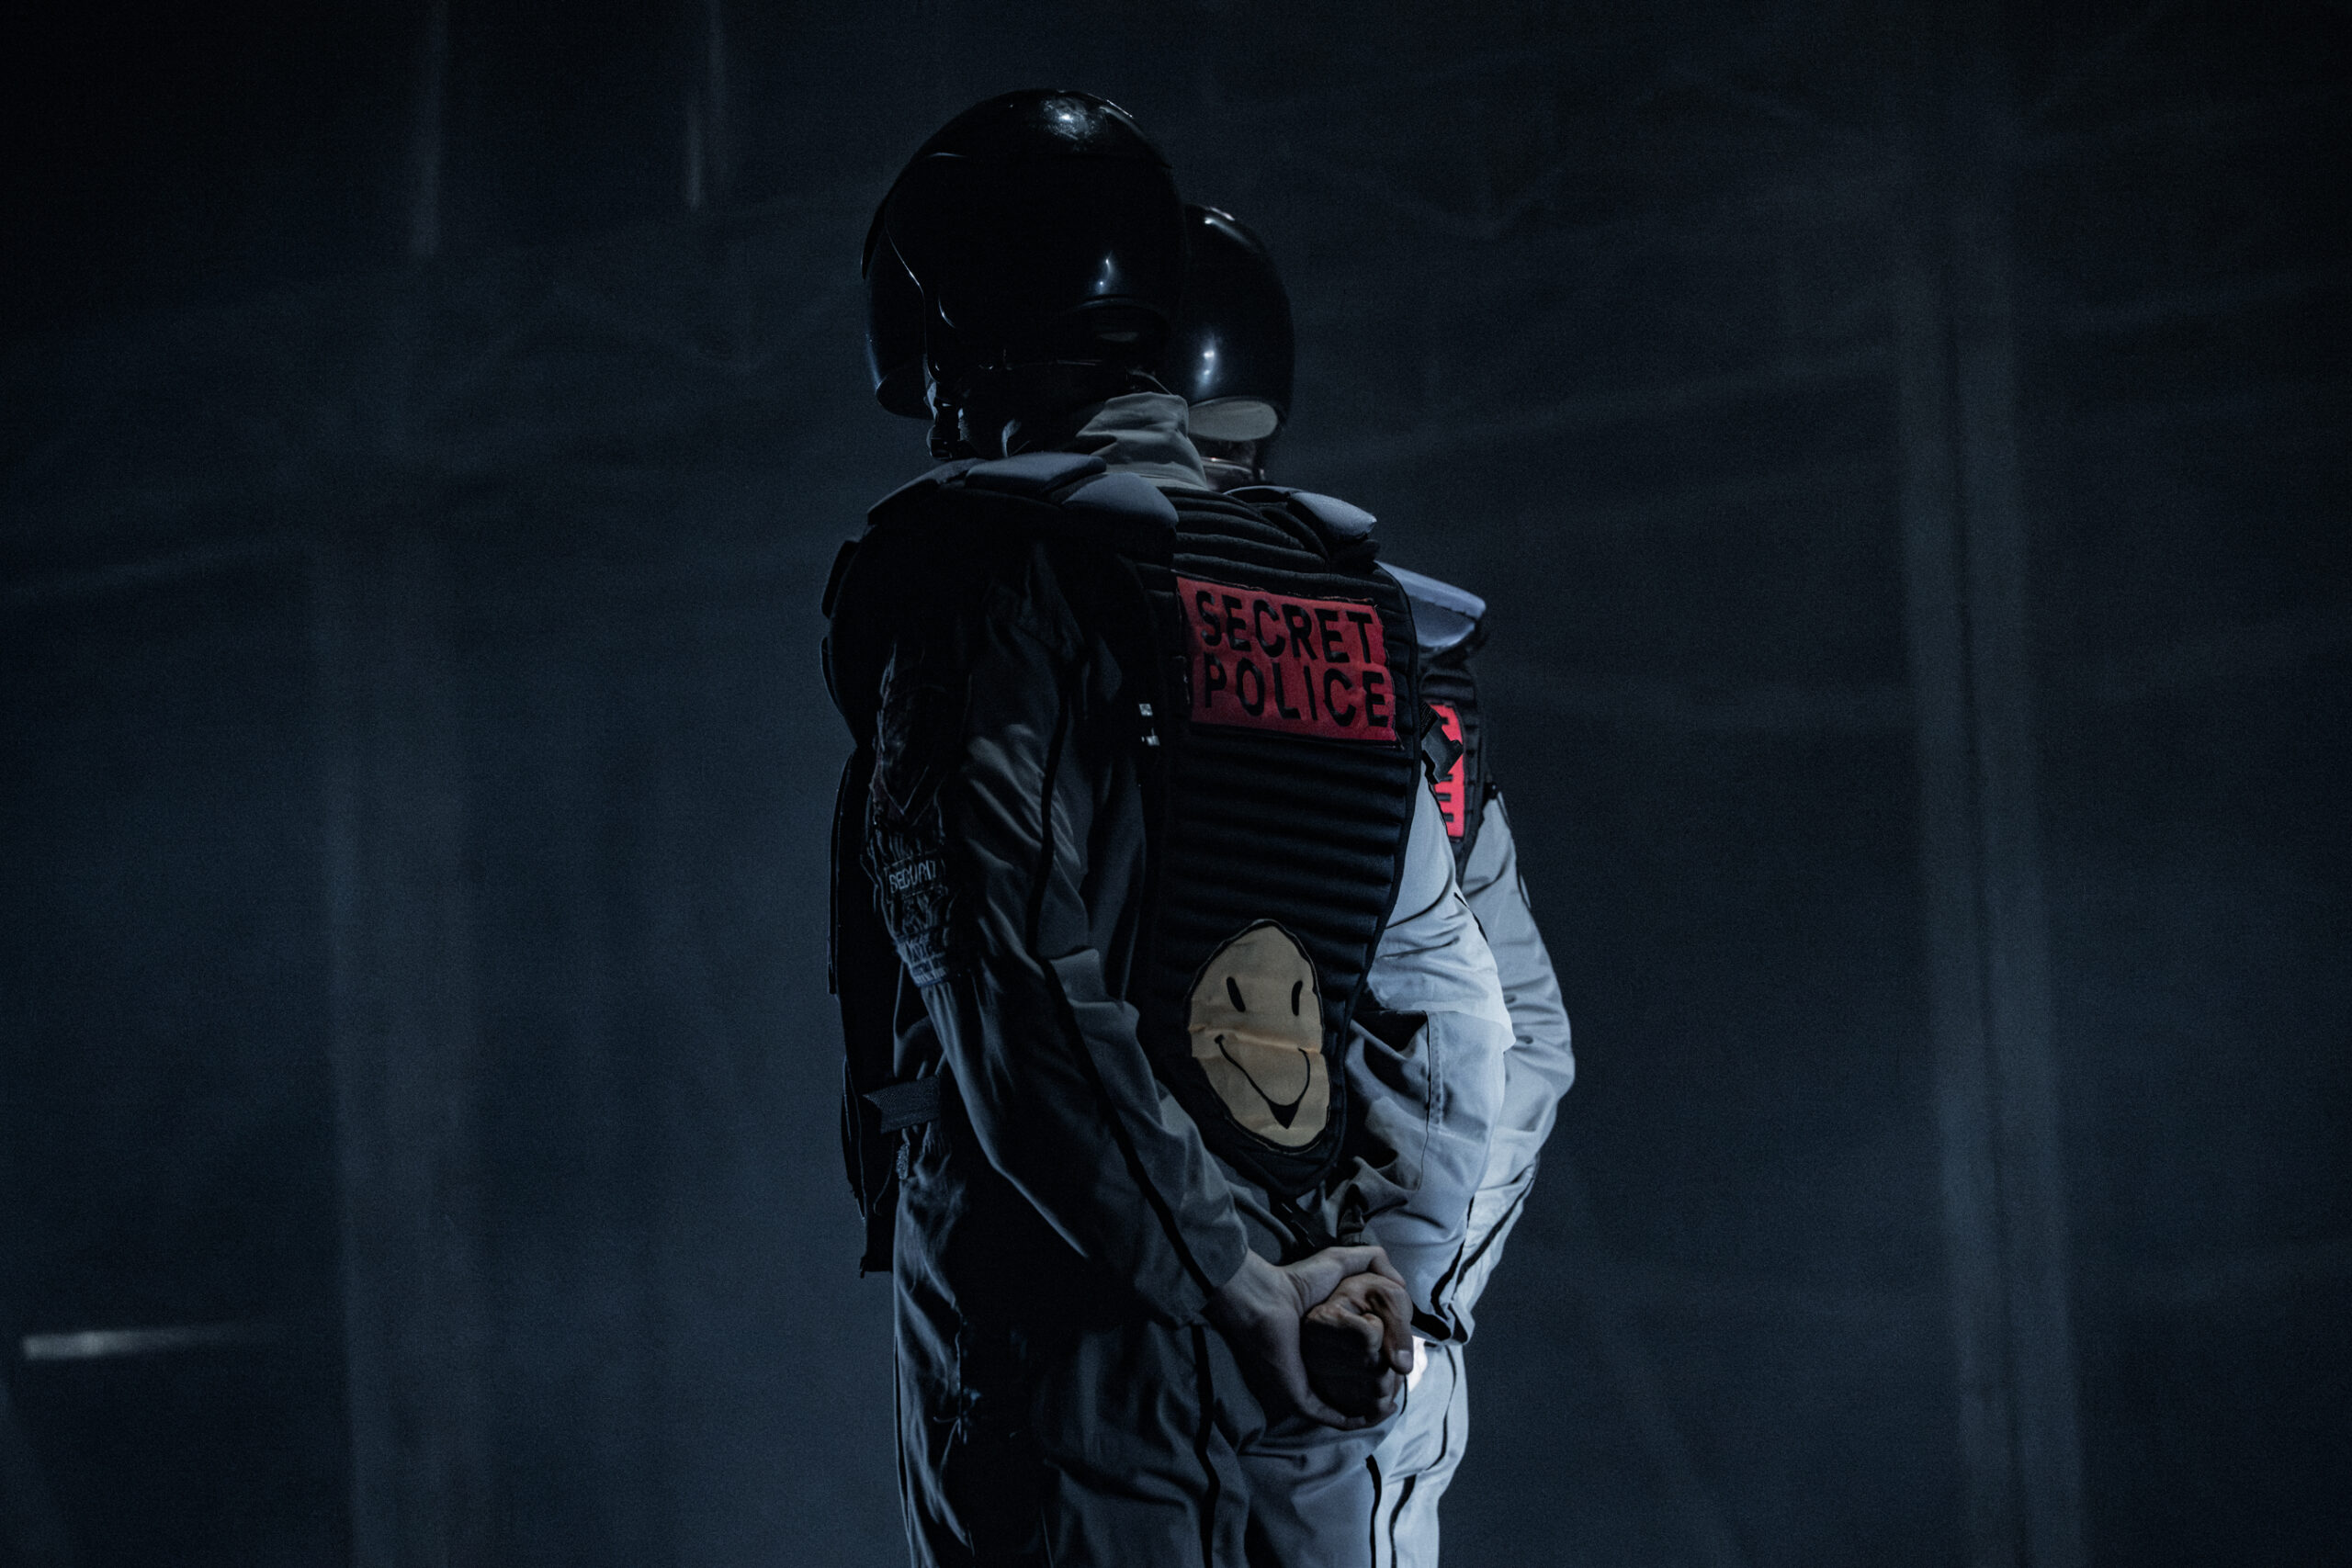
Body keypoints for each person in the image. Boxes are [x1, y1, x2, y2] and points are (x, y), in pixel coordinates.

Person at [823, 92, 1513, 1566]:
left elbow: (1014, 989)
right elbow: (1457, 1017)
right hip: (1323, 1353)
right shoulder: (1339, 598)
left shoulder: (992, 588)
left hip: (1077, 1343)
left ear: (962, 328)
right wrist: (1372, 1275)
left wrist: (1222, 1280)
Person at [1164, 203, 1578, 1567]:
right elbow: (1519, 1039)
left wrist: (1378, 1289)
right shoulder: (1359, 640)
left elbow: (1500, 1031)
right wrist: (1400, 1287)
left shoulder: (1172, 642)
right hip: (1303, 1337)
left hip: (1272, 1361)